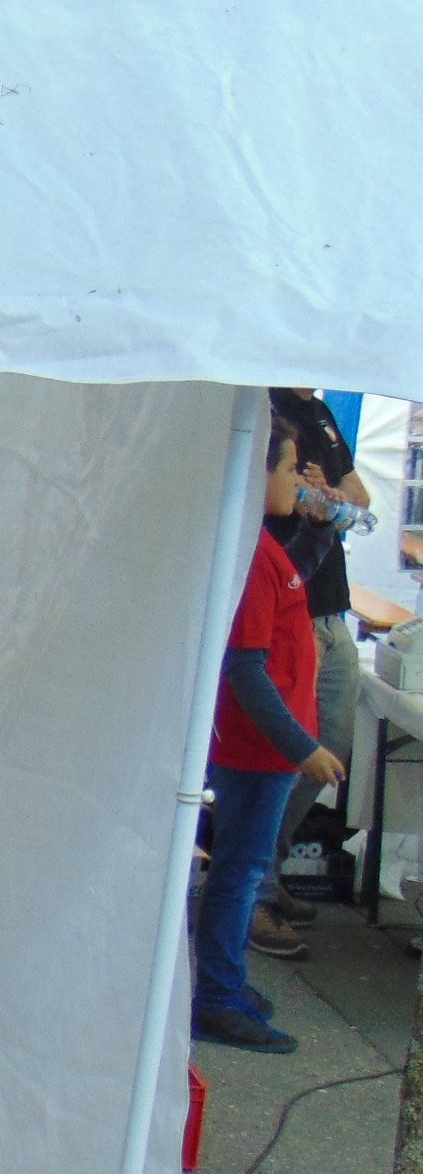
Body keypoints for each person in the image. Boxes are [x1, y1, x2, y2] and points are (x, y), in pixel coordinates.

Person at [194, 425, 345, 1054]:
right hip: (259, 751)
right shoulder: (251, 555)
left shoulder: (262, 549)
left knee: (245, 870)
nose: (294, 481)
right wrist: (299, 746)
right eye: (286, 470)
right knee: (240, 873)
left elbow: (294, 585)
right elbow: (245, 669)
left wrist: (318, 529)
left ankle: (226, 986)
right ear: (257, 473)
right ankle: (220, 998)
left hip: (266, 747)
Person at [251, 388, 368, 960]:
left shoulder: (318, 411)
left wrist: (323, 500)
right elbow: (304, 501)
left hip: (329, 608)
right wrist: (315, 500)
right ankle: (255, 890)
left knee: (330, 753)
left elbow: (359, 499)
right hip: (288, 610)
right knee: (289, 755)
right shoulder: (265, 403)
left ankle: (263, 874)